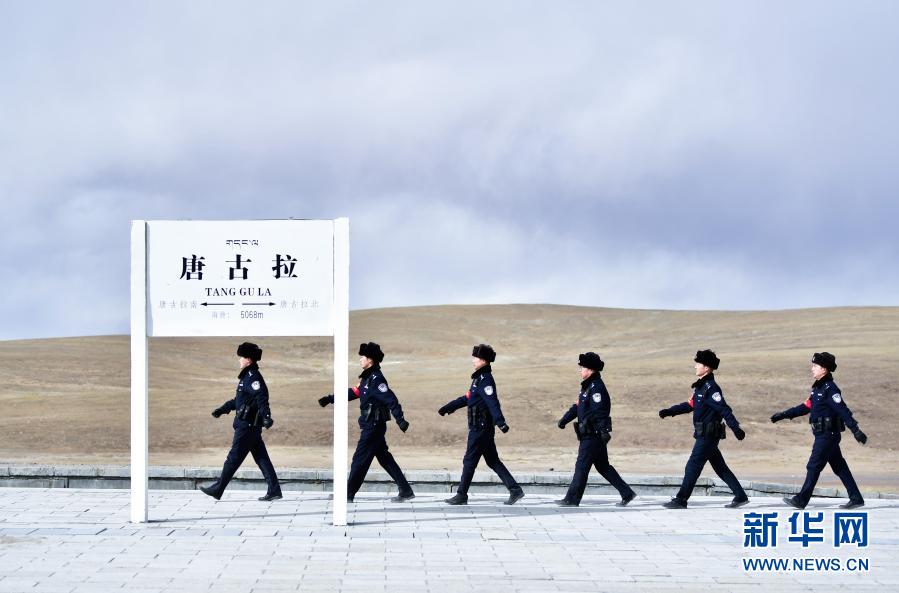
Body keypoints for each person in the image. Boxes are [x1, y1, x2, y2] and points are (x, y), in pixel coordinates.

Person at [319, 342, 414, 503]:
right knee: (384, 458)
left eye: (362, 357)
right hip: (371, 425)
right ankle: (405, 490)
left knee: (359, 459)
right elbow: (353, 392)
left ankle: (347, 494)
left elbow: (391, 399)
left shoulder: (376, 379)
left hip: (373, 427)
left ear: (370, 360)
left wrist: (400, 420)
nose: (360, 359)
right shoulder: (367, 378)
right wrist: (330, 399)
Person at [771, 352, 867, 509]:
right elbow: (805, 407)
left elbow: (843, 410)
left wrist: (855, 429)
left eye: (815, 366)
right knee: (840, 467)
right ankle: (856, 498)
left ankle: (801, 500)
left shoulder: (830, 389)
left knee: (813, 466)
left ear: (824, 369)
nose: (812, 369)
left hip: (827, 435)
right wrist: (784, 414)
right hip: (824, 435)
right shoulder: (817, 388)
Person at [658, 349, 748, 509]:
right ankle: (740, 495)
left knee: (693, 465)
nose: (695, 366)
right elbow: (690, 405)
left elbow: (724, 410)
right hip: (705, 434)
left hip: (708, 435)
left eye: (698, 364)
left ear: (706, 368)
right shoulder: (701, 387)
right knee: (720, 467)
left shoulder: (711, 388)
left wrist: (736, 429)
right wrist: (670, 411)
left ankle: (681, 499)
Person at [438, 344, 524, 505]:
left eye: (475, 358)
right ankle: (515, 490)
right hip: (481, 428)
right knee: (492, 461)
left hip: (480, 429)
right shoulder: (478, 379)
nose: (473, 361)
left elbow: (492, 402)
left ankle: (461, 495)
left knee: (469, 461)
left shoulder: (486, 380)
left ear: (483, 361)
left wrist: (500, 422)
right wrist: (449, 407)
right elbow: (468, 398)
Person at [201, 342, 282, 501]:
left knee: (233, 458)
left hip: (247, 427)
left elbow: (261, 396)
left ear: (249, 360)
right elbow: (239, 401)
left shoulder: (253, 377)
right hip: (250, 427)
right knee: (262, 458)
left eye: (242, 357)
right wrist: (223, 409)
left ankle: (218, 489)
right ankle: (274, 490)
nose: (239, 360)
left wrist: (266, 416)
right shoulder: (246, 377)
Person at [556, 352, 636, 507]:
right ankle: (627, 493)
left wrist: (603, 430)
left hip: (593, 434)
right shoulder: (587, 387)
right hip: (590, 434)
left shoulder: (597, 387)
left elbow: (600, 411)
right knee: (603, 466)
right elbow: (577, 407)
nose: (580, 370)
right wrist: (563, 420)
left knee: (582, 465)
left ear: (590, 369)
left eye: (582, 367)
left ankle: (572, 499)